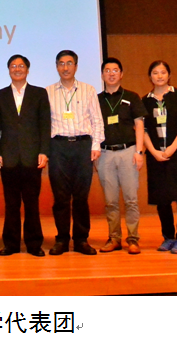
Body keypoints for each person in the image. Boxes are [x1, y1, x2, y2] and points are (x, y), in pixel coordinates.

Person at [0, 54, 51, 257]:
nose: (17, 69)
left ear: (27, 70)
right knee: (11, 204)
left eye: (21, 66)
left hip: (32, 157)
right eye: (13, 66)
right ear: (9, 70)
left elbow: (45, 125)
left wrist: (44, 151)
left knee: (32, 204)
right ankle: (11, 244)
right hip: (8, 158)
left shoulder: (39, 93)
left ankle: (34, 244)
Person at [46, 50, 105, 256]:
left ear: (76, 66)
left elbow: (97, 120)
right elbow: (44, 124)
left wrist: (96, 145)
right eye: (61, 63)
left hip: (82, 147)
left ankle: (81, 239)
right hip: (58, 147)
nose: (65, 67)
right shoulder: (48, 92)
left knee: (81, 196)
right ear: (56, 67)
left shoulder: (88, 90)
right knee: (60, 197)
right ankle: (62, 239)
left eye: (69, 63)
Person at [142, 60, 177, 255]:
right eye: (155, 73)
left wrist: (172, 148)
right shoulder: (145, 100)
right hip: (156, 156)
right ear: (150, 77)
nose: (159, 76)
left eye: (163, 72)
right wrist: (154, 151)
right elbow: (143, 129)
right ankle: (168, 237)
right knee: (162, 198)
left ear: (169, 75)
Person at [96, 58, 147, 255]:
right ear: (102, 75)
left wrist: (139, 152)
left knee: (131, 199)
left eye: (115, 70)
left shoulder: (132, 97)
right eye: (107, 70)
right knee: (110, 201)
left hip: (128, 152)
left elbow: (140, 125)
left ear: (121, 74)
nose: (111, 73)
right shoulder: (96, 99)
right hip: (104, 154)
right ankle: (114, 238)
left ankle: (133, 239)